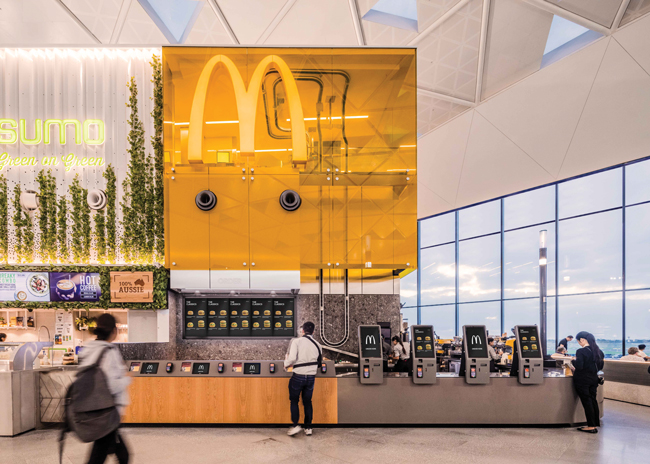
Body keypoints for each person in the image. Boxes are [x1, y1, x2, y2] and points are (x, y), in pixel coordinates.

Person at [78, 314, 131, 464]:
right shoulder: (109, 352)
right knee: (117, 456)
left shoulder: (87, 350)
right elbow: (111, 386)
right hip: (107, 412)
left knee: (115, 454)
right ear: (114, 330)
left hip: (94, 409)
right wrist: (127, 378)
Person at [284, 321, 322, 437]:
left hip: (298, 376)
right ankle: (308, 427)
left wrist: (286, 363)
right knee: (307, 401)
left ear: (302, 331)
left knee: (294, 400)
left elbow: (292, 359)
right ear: (313, 331)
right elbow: (319, 363)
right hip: (311, 377)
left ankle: (295, 425)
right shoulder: (318, 345)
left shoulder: (297, 341)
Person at [570, 331, 604, 434]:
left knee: (587, 402)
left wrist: (572, 361)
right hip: (593, 379)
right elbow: (600, 366)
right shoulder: (598, 351)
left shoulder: (581, 351)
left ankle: (591, 426)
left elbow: (579, 366)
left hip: (583, 380)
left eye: (578, 341)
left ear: (582, 340)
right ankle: (595, 423)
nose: (579, 343)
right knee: (593, 400)